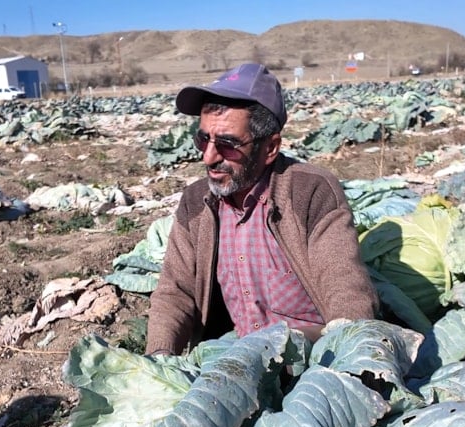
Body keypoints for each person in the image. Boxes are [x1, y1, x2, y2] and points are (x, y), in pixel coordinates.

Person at [146, 63, 377, 355]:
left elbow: (346, 287)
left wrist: (345, 353)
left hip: (313, 355)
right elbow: (174, 292)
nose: (208, 157)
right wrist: (158, 359)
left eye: (227, 145)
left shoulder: (310, 192)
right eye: (203, 139)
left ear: (270, 148)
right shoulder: (196, 201)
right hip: (235, 355)